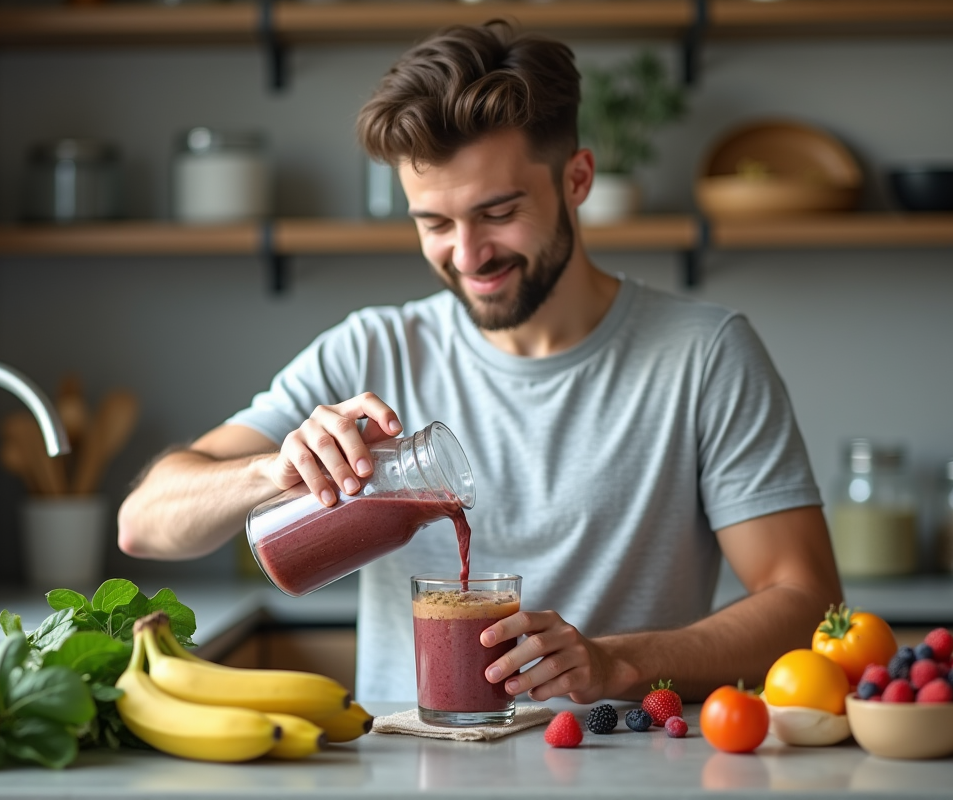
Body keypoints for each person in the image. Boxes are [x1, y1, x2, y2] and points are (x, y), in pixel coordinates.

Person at [117, 21, 843, 705]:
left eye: (498, 213)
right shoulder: (371, 348)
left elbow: (805, 604)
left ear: (578, 180)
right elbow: (143, 524)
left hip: (625, 763)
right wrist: (267, 471)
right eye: (434, 223)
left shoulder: (704, 356)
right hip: (411, 768)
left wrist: (623, 660)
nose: (467, 257)